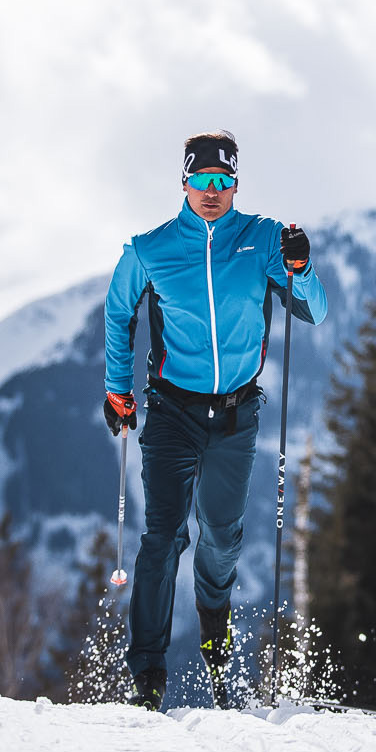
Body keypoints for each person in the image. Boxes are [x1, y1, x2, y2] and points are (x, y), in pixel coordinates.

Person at [103, 130, 328, 711]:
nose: (211, 191)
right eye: (201, 180)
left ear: (235, 183)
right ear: (183, 182)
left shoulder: (263, 239)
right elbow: (119, 309)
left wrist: (300, 269)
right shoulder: (149, 249)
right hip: (172, 411)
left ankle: (214, 626)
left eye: (222, 181)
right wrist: (116, 387)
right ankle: (147, 674)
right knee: (163, 538)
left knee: (222, 539)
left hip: (236, 414)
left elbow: (315, 311)